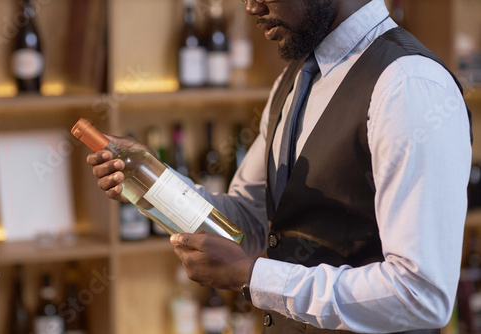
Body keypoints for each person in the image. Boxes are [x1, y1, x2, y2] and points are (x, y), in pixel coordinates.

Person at [86, 0, 472, 332]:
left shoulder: (409, 85)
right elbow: (247, 224)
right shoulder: (294, 80)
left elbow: (421, 294)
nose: (252, 7)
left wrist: (253, 276)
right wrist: (149, 178)